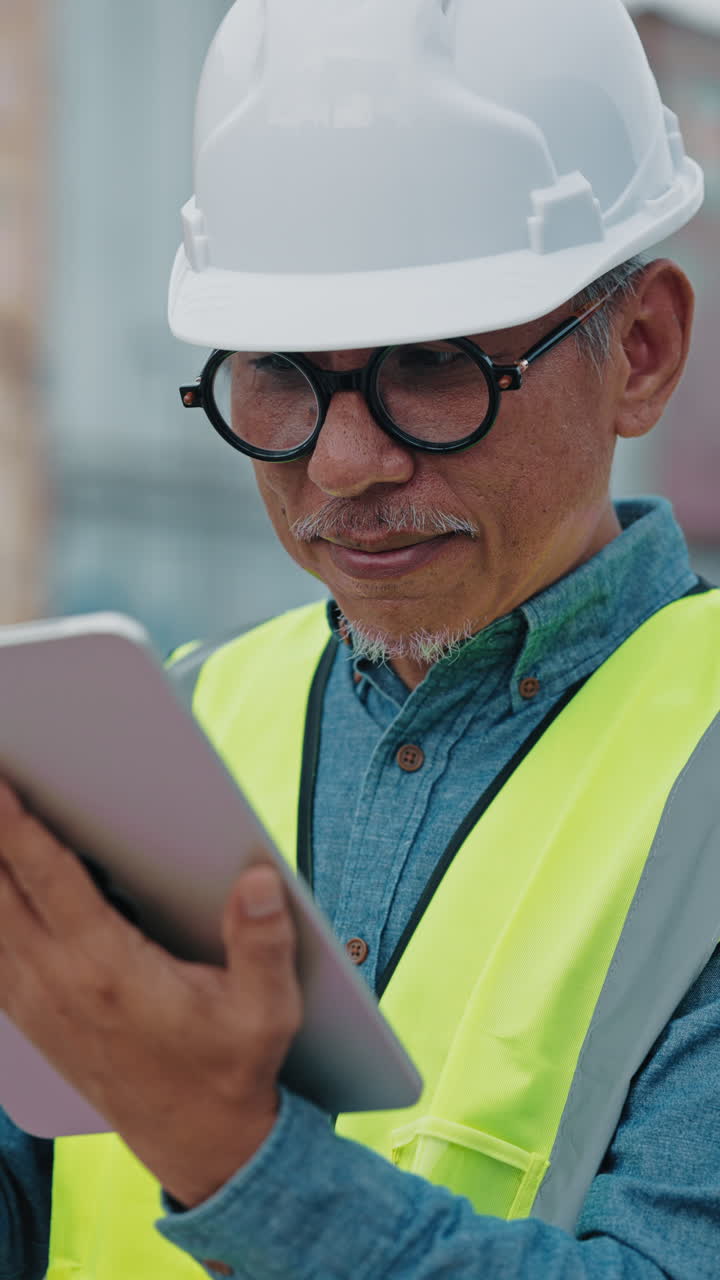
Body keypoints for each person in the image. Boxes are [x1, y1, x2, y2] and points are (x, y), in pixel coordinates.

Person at [1, 0, 720, 1276]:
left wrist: (232, 1156)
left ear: (644, 350)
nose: (343, 461)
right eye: (279, 372)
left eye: (436, 364)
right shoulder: (174, 721)